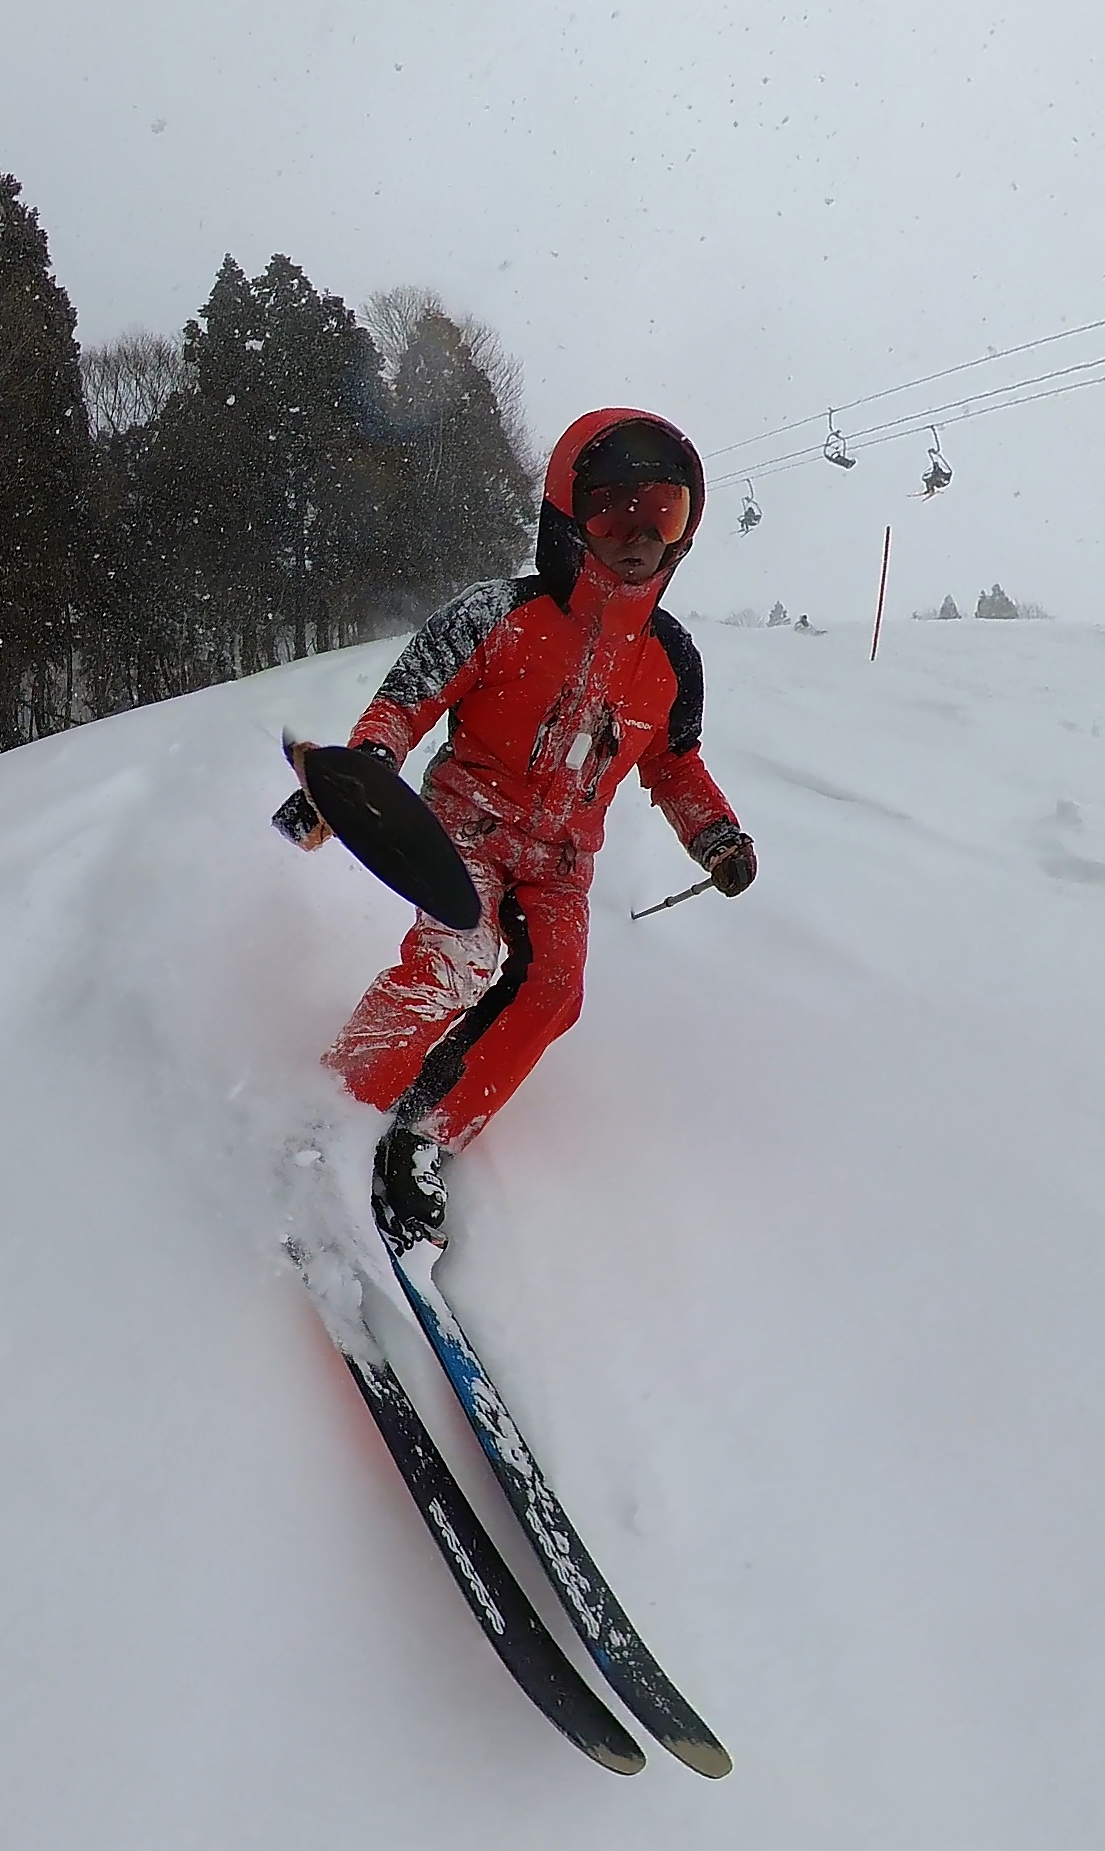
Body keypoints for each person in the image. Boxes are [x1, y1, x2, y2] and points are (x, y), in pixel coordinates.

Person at [272, 407, 756, 1244]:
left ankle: (422, 1137)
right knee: (455, 965)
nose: (639, 538)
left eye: (663, 516)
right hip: (465, 827)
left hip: (561, 863)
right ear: (569, 514)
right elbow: (405, 701)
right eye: (613, 513)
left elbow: (674, 764)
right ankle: (332, 1113)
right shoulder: (498, 615)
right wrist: (359, 778)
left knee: (554, 990)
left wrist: (715, 834)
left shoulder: (671, 660)